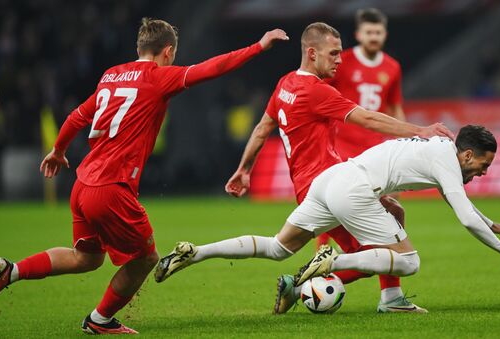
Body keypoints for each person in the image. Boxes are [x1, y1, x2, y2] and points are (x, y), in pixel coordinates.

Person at [0, 18, 288, 334]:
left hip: (82, 184)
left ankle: (10, 272)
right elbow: (212, 68)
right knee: (146, 258)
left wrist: (58, 150)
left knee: (86, 258)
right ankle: (100, 319)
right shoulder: (158, 77)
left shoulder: (111, 75)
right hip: (110, 187)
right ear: (167, 52)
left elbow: (76, 115)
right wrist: (258, 46)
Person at [154, 22, 453, 312]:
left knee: (277, 248)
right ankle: (333, 290)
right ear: (312, 53)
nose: (339, 60)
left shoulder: (285, 84)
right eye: (333, 53)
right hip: (335, 184)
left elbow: (261, 129)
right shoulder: (317, 91)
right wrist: (420, 130)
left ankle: (197, 252)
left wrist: (244, 169)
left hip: (306, 189)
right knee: (373, 255)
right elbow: (369, 118)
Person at [151, 125, 500, 314]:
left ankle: (195, 252)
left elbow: (467, 208)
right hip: (354, 188)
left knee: (276, 247)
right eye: (484, 165)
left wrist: (493, 223)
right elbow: (465, 218)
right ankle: (334, 262)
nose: (485, 172)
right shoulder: (447, 161)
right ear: (468, 155)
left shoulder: (440, 151)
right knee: (409, 260)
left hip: (331, 179)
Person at [316, 7, 409, 311]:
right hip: (342, 150)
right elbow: (322, 98)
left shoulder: (392, 67)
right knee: (340, 213)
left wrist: (405, 141)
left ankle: (388, 295)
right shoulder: (341, 62)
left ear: (384, 34)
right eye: (368, 32)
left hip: (376, 153)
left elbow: (394, 107)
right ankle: (324, 256)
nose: (373, 37)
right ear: (358, 34)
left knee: (389, 216)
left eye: (378, 32)